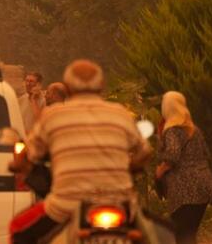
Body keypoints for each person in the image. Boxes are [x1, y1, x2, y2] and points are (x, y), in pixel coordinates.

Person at [10, 60, 152, 242]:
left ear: (68, 88)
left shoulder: (53, 115)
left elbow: (29, 153)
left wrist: (18, 163)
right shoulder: (120, 113)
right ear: (101, 86)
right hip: (120, 205)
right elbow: (145, 152)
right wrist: (130, 168)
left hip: (66, 206)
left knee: (17, 228)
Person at [156, 91, 212, 244]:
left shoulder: (173, 130)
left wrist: (160, 170)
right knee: (189, 234)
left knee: (182, 236)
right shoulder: (194, 129)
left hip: (185, 190)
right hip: (203, 187)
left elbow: (172, 155)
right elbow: (206, 153)